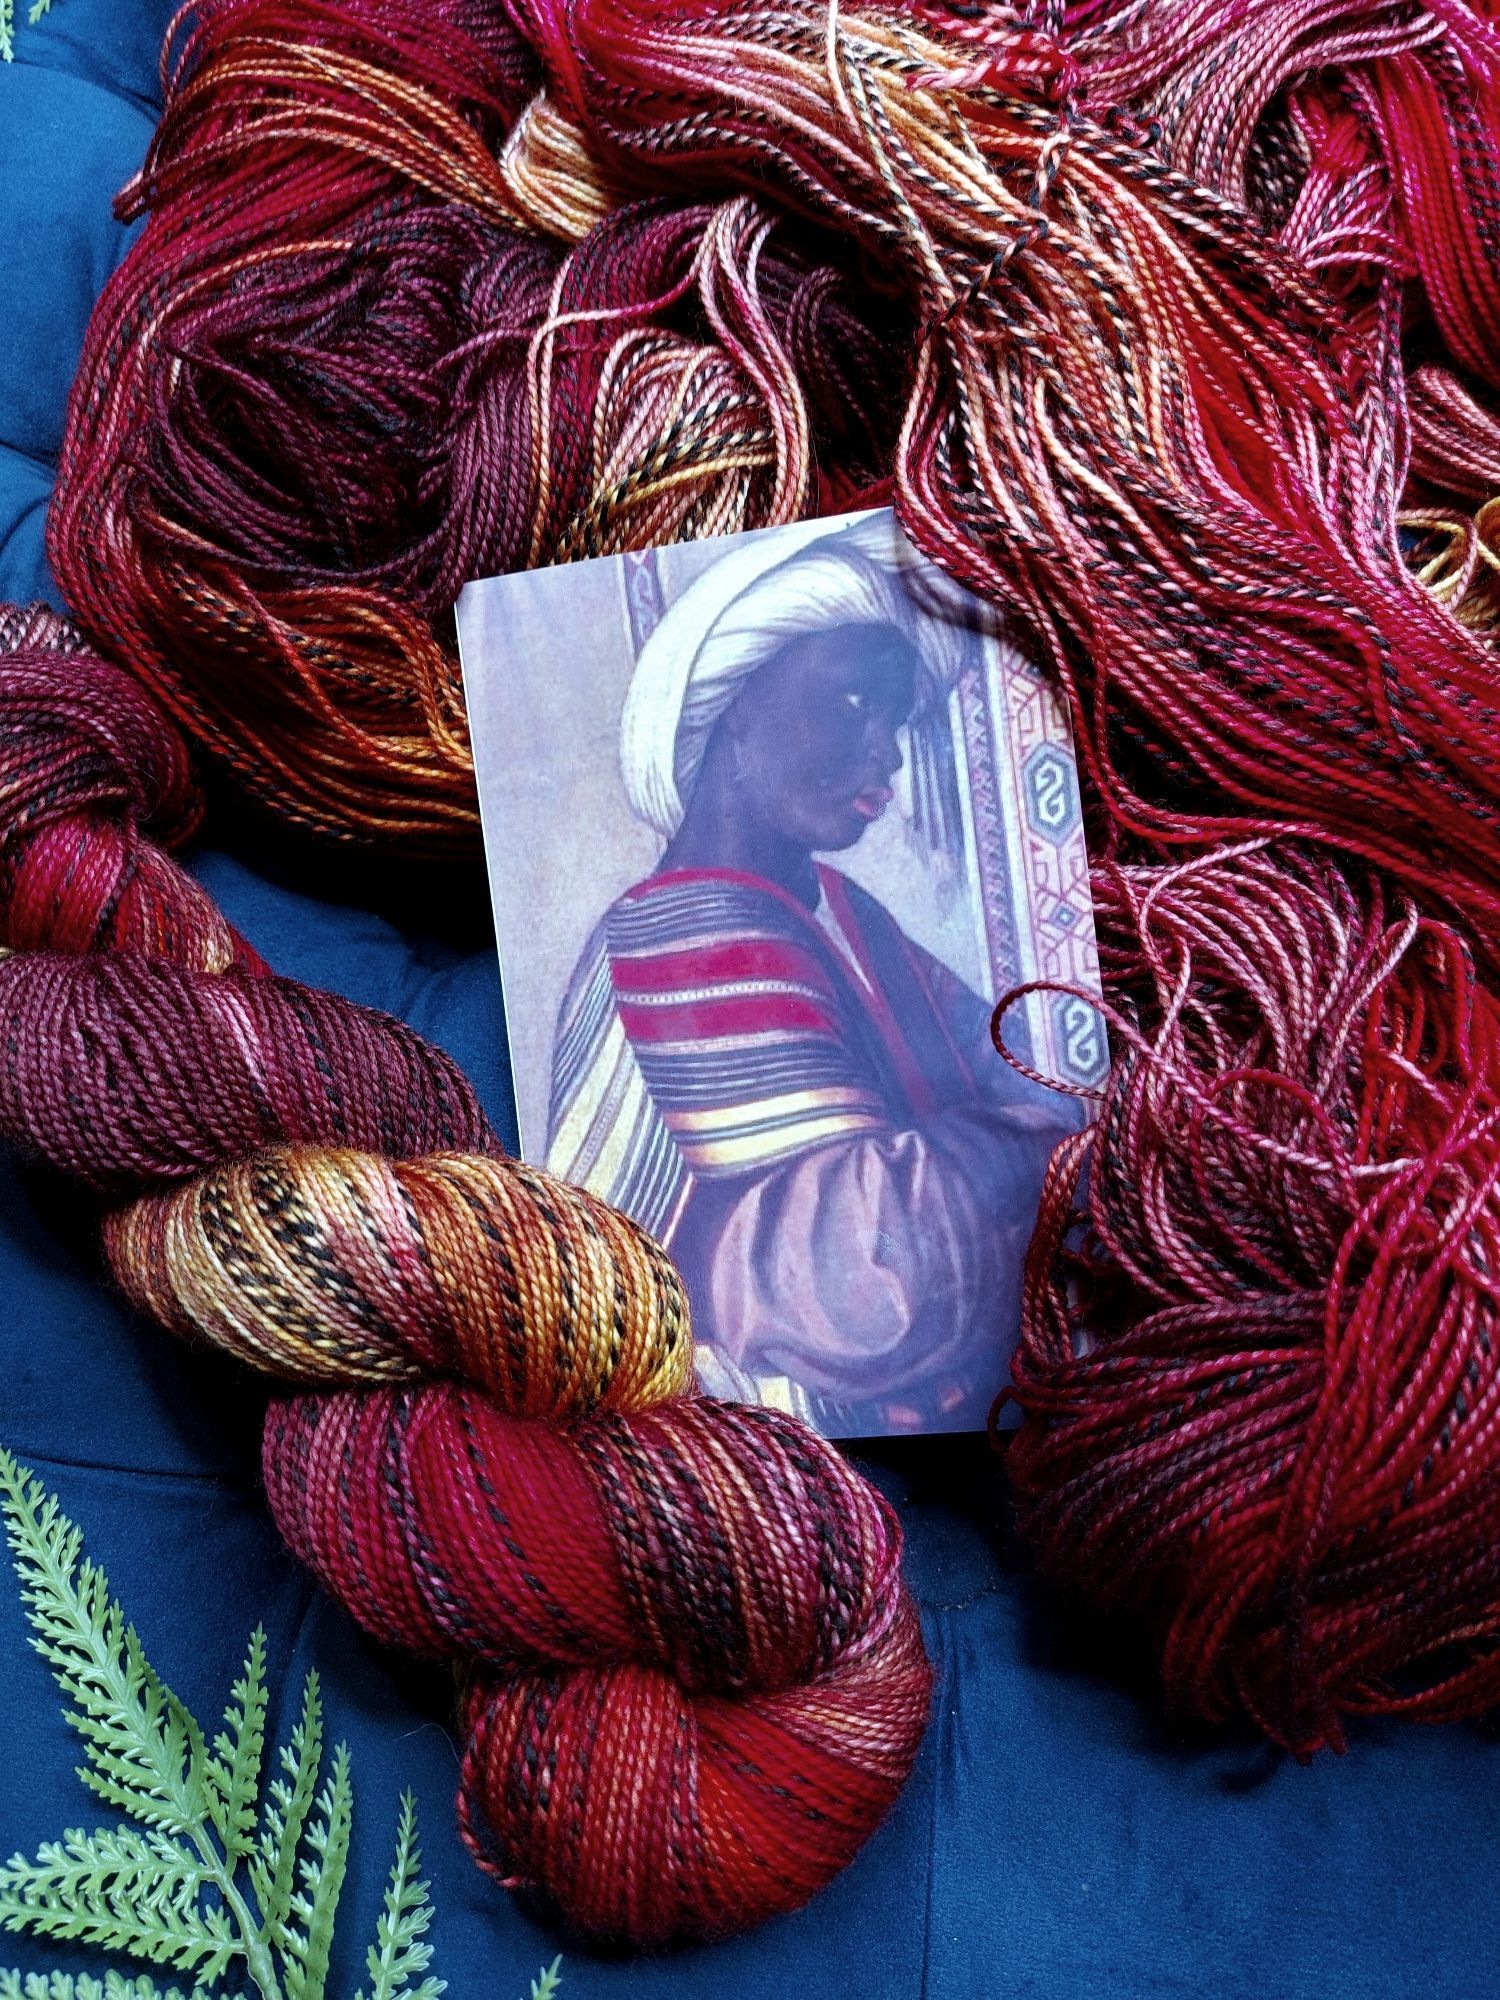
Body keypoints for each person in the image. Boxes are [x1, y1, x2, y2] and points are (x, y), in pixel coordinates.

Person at [545, 515, 1079, 1433]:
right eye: (851, 704)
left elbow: (1013, 1066)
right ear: (739, 701)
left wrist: (1037, 1124)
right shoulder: (693, 926)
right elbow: (876, 1267)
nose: (887, 754)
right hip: (763, 1442)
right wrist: (1050, 1141)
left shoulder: (835, 906)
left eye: (896, 718)